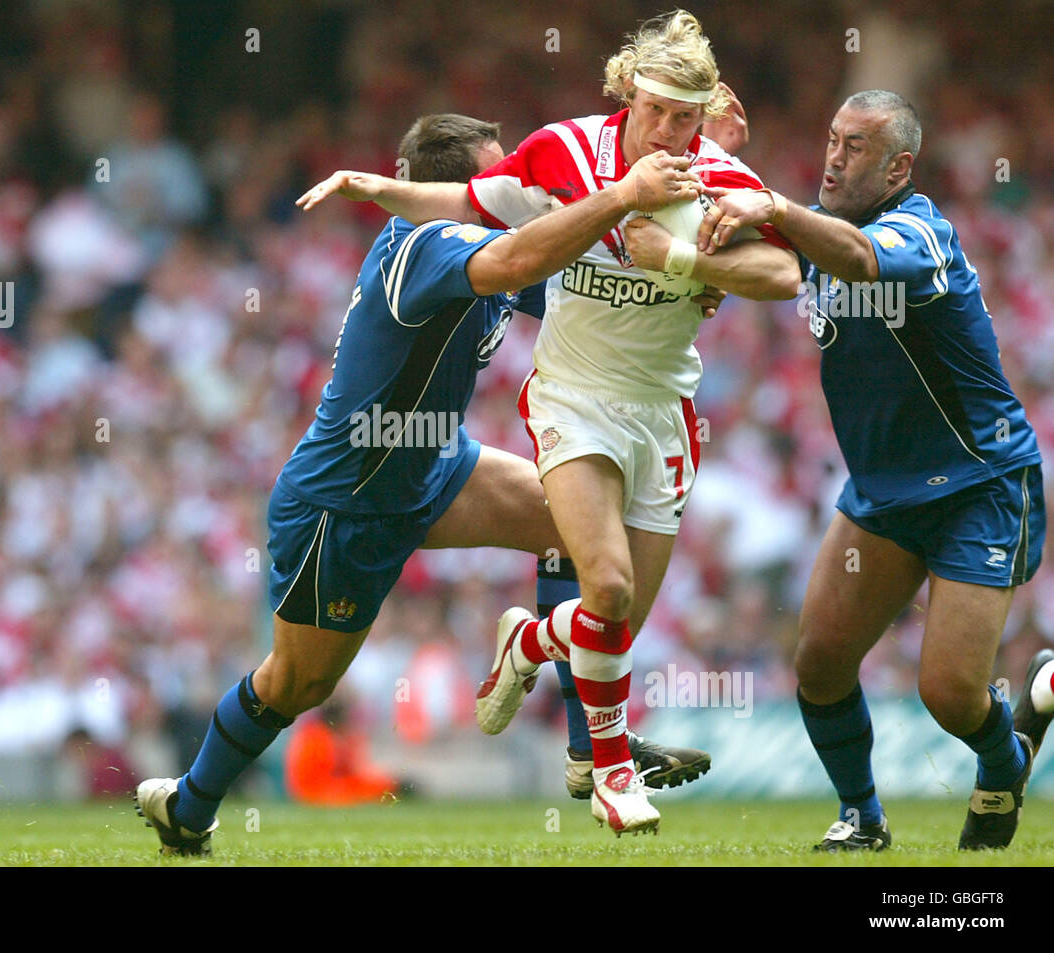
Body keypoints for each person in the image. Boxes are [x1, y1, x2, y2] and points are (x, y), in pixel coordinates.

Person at [134, 112, 709, 856]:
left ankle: (588, 750)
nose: (516, 188)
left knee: (576, 522)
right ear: (452, 187)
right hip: (347, 501)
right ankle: (190, 804)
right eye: (500, 177)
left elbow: (579, 289)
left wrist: (681, 279)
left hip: (436, 466)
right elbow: (515, 264)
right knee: (298, 688)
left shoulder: (482, 239)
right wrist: (624, 193)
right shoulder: (426, 240)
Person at [297, 10, 799, 834]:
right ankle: (610, 778)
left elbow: (783, 273)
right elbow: (470, 200)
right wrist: (376, 188)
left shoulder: (717, 173)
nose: (671, 131)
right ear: (627, 95)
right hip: (572, 397)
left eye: (687, 116)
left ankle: (529, 643)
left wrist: (684, 261)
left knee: (616, 625)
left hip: (664, 408)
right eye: (658, 111)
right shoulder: (565, 150)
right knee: (606, 586)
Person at [698, 89, 1046, 851]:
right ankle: (862, 817)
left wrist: (771, 210)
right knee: (820, 664)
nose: (832, 157)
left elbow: (859, 260)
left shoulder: (920, 231)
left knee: (949, 697)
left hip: (978, 484)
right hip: (882, 495)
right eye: (831, 139)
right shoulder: (817, 237)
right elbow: (742, 253)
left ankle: (1006, 755)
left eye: (854, 147)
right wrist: (708, 160)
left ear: (899, 168)